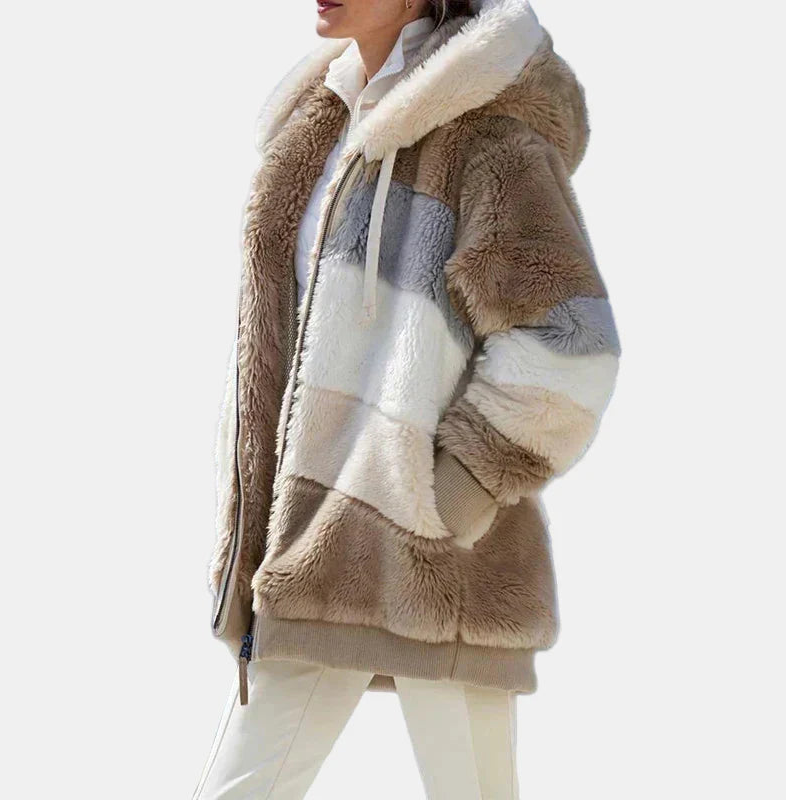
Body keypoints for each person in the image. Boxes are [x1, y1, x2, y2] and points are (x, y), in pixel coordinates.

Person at [194, 0, 620, 797]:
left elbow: (571, 344)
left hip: (441, 567)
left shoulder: (488, 135)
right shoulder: (322, 123)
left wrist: (442, 501)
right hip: (312, 554)